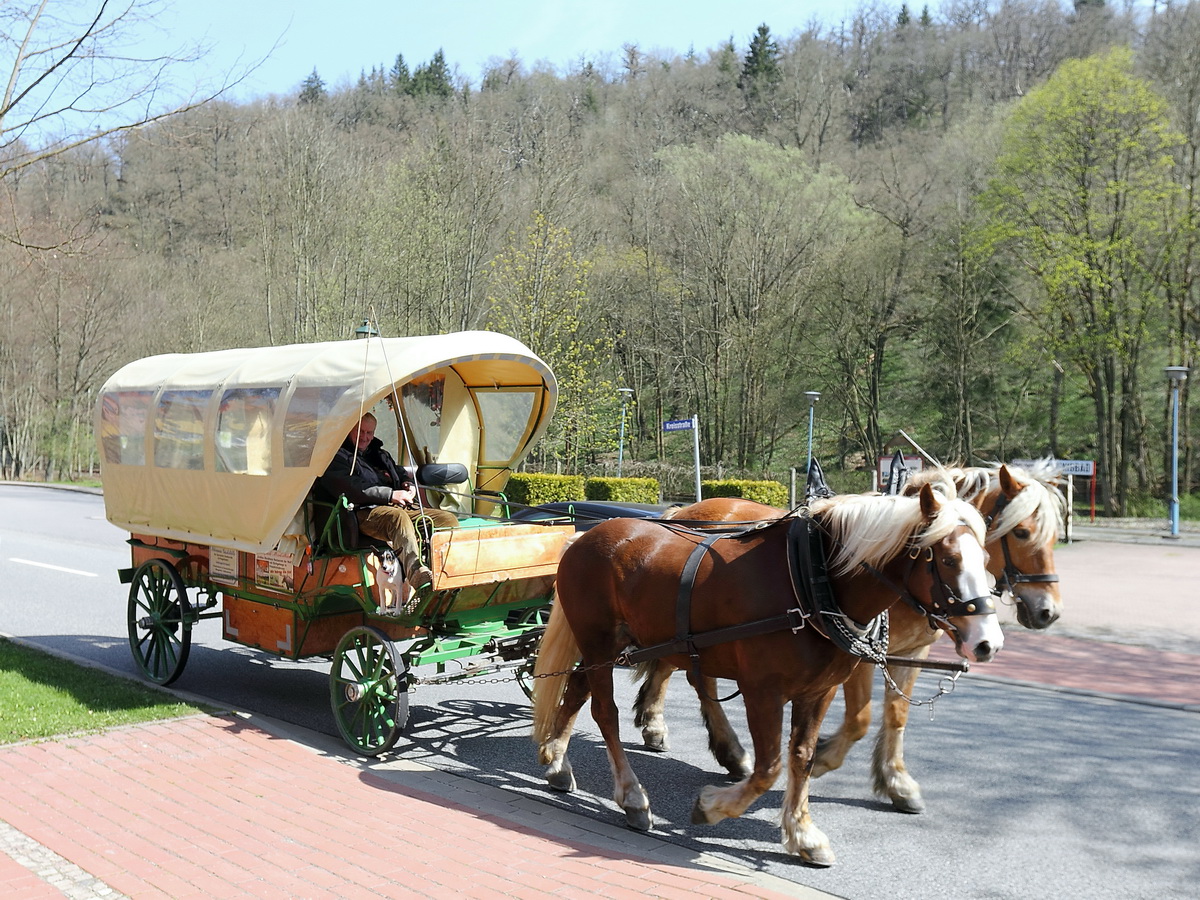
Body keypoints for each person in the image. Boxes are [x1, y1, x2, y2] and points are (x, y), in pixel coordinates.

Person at [317, 413, 458, 604]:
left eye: (369, 432)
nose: (365, 437)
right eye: (360, 432)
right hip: (360, 513)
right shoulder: (335, 457)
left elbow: (399, 473)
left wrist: (407, 485)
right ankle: (417, 575)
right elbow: (353, 488)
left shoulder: (380, 454)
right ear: (348, 430)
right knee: (398, 517)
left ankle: (450, 572)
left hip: (394, 506)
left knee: (447, 519)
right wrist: (390, 495)